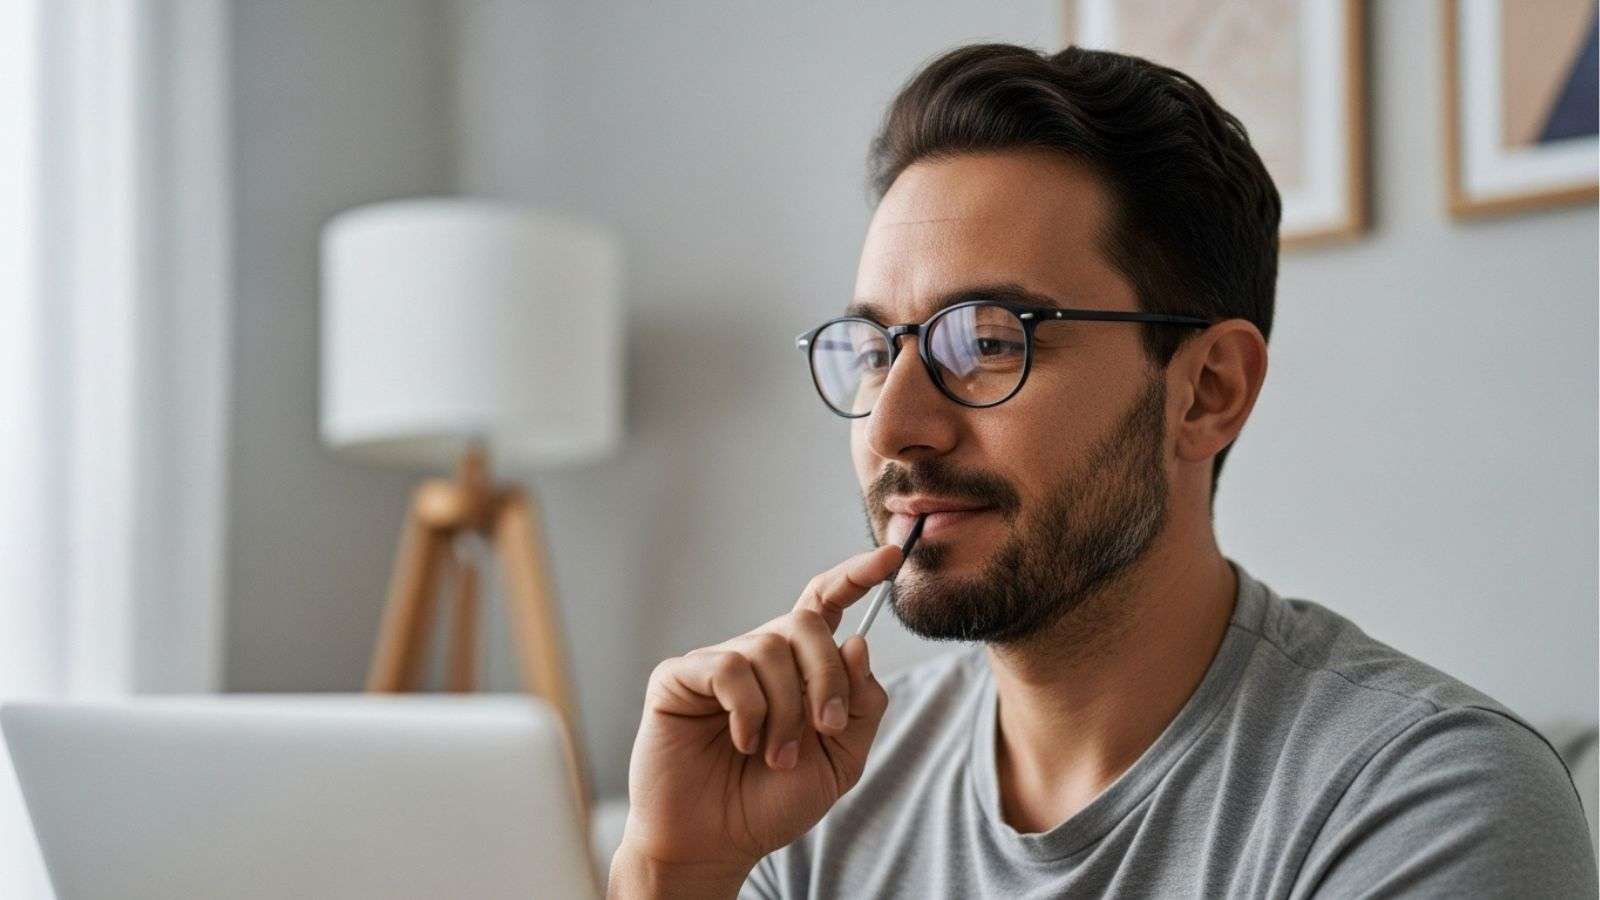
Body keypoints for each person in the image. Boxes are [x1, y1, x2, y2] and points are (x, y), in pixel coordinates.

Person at [606, 43, 1598, 898]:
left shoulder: (1426, 799)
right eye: (873, 350)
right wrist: (675, 867)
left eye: (990, 341)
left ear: (1206, 389)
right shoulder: (814, 790)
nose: (895, 425)